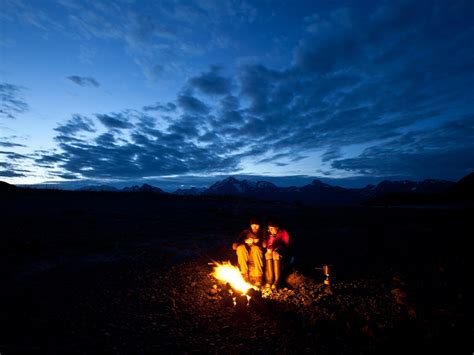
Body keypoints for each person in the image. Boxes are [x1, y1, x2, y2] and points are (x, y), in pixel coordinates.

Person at [232, 217, 264, 287]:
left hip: (256, 254)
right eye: (253, 225)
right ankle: (244, 274)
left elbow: (265, 244)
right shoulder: (245, 232)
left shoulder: (262, 232)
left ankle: (258, 277)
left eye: (257, 225)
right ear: (250, 225)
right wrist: (245, 241)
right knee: (240, 248)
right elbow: (234, 246)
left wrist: (258, 243)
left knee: (256, 248)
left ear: (259, 225)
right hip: (246, 254)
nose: (255, 227)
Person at [263, 219, 290, 290]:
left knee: (275, 254)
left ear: (277, 228)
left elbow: (286, 244)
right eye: (269, 228)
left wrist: (277, 247)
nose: (270, 230)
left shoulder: (283, 233)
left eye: (271, 228)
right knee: (268, 254)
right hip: (272, 251)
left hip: (281, 251)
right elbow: (267, 245)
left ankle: (276, 280)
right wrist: (268, 247)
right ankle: (270, 279)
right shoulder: (268, 235)